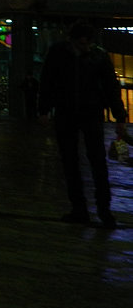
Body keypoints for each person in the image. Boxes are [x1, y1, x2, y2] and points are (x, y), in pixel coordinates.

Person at [39, 23, 127, 227]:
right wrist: (43, 109)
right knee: (74, 163)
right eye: (81, 42)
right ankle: (85, 210)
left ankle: (100, 211)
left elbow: (111, 87)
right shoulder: (77, 54)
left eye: (87, 42)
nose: (84, 45)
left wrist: (120, 116)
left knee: (93, 162)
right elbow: (47, 81)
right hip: (72, 112)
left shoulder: (89, 55)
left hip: (86, 112)